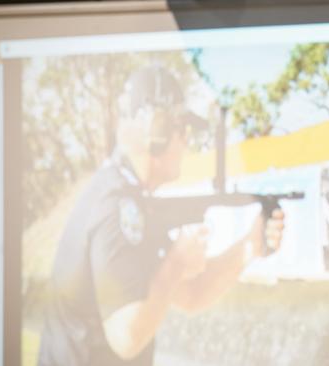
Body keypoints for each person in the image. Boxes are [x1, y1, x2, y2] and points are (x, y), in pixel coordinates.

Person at [38, 66, 285, 366]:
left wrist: (250, 247)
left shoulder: (130, 201)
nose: (185, 142)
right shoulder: (118, 206)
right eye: (182, 129)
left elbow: (192, 295)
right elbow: (126, 337)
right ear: (157, 129)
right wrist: (177, 261)